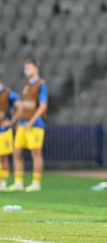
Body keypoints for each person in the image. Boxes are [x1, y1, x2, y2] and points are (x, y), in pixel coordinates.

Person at [8, 59, 48, 192]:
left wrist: (32, 121)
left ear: (36, 68)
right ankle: (18, 182)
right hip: (23, 124)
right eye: (25, 68)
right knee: (17, 152)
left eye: (29, 67)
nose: (26, 70)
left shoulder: (41, 85)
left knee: (35, 153)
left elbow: (43, 106)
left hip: (35, 125)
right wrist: (15, 121)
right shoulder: (27, 86)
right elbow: (24, 107)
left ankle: (36, 183)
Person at [0, 72, 22, 191]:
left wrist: (11, 122)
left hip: (4, 130)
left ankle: (2, 183)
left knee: (3, 157)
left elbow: (20, 107)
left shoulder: (8, 93)